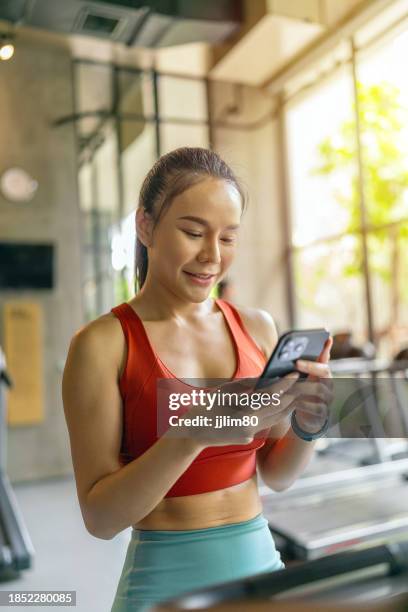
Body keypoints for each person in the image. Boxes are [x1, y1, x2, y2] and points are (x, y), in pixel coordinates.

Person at [62, 147, 333, 612]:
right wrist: (192, 434)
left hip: (261, 574)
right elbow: (101, 519)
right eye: (193, 232)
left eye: (228, 238)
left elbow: (276, 474)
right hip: (163, 584)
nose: (212, 256)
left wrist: (309, 423)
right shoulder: (102, 345)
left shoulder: (257, 328)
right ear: (145, 226)